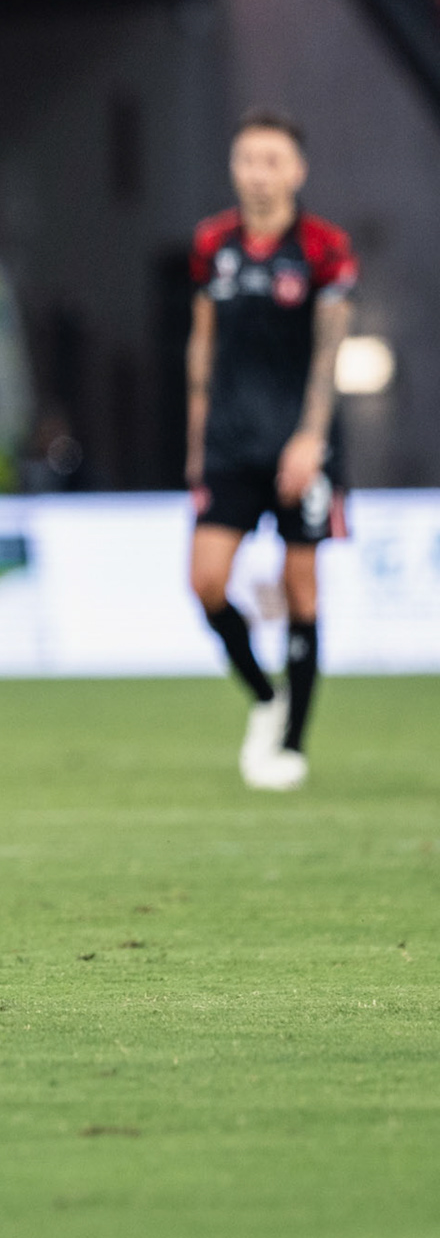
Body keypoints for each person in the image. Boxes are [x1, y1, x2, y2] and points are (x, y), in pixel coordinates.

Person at [186, 110, 355, 792]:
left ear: (295, 170)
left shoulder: (323, 247)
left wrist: (310, 439)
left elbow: (330, 349)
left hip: (300, 445)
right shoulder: (212, 243)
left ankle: (291, 742)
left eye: (270, 159)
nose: (256, 171)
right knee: (205, 582)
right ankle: (264, 691)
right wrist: (198, 441)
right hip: (230, 441)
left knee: (301, 585)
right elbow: (202, 342)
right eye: (246, 159)